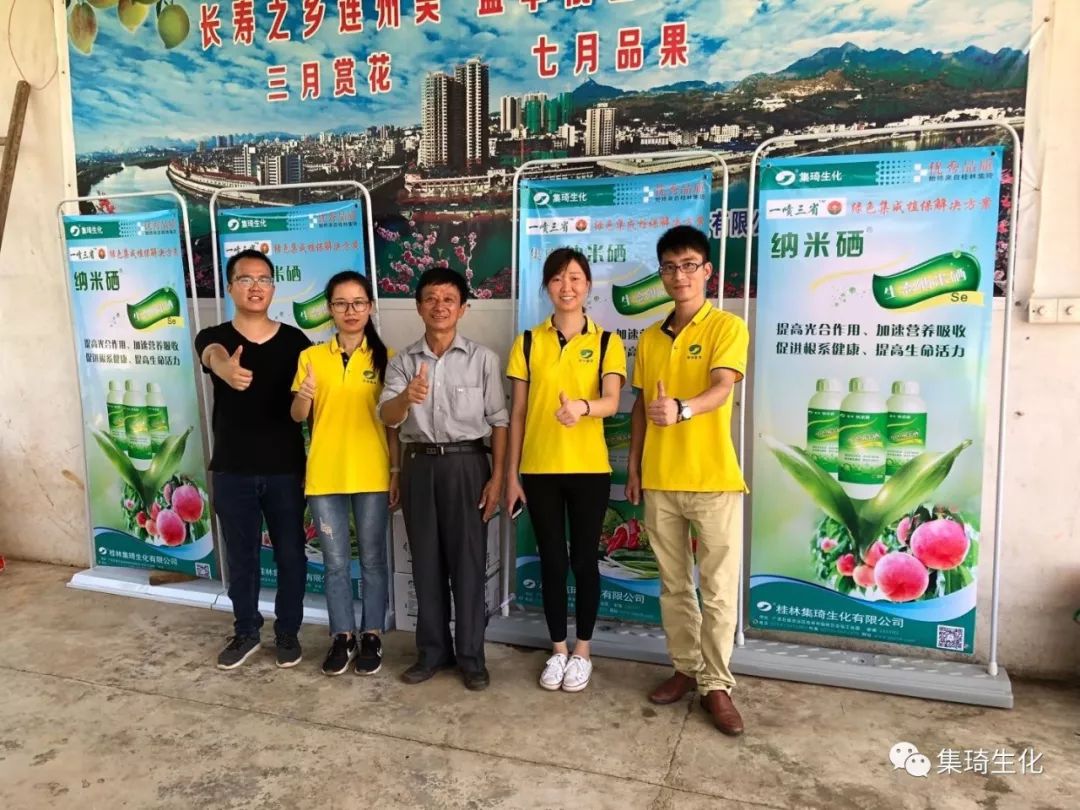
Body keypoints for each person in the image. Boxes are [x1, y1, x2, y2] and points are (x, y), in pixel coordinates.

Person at [625, 226, 750, 736]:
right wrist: (634, 467)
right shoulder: (650, 338)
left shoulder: (727, 327)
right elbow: (640, 406)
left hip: (713, 479)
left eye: (690, 265)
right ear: (662, 275)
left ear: (707, 271)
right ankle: (685, 668)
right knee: (674, 586)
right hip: (660, 480)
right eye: (671, 267)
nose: (680, 275)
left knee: (717, 590)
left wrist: (682, 408)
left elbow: (722, 388)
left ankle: (716, 685)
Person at [378, 266, 508, 691]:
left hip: (468, 466)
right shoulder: (403, 362)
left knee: (468, 565)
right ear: (418, 307)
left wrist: (497, 479)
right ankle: (432, 652)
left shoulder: (483, 359)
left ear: (463, 308)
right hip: (419, 466)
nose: (440, 306)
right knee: (426, 564)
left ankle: (471, 657)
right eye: (431, 299)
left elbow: (499, 422)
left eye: (449, 299)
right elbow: (388, 417)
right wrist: (406, 397)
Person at [504, 248, 626, 693]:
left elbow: (612, 402)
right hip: (539, 470)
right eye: (557, 278)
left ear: (588, 285)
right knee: (552, 563)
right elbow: (518, 413)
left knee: (584, 562)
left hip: (589, 470)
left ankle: (583, 651)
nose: (567, 286)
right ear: (547, 287)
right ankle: (558, 649)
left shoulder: (607, 342)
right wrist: (512, 475)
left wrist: (582, 408)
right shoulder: (528, 342)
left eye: (575, 278)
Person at [195, 249, 311, 670]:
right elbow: (210, 353)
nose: (256, 286)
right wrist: (224, 368)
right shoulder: (216, 336)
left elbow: (305, 406)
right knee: (241, 557)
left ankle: (288, 632)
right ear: (231, 287)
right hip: (233, 469)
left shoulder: (297, 342)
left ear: (273, 288)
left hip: (285, 469)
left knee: (291, 555)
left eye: (263, 279)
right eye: (246, 279)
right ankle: (246, 630)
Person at [290, 271, 399, 677]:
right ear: (330, 309)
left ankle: (371, 634)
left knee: (372, 560)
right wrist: (304, 395)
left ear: (370, 307)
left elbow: (393, 425)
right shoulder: (311, 357)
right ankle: (342, 636)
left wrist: (395, 470)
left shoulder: (387, 357)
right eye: (340, 303)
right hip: (325, 475)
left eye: (358, 303)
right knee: (334, 563)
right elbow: (298, 417)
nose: (350, 311)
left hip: (372, 473)